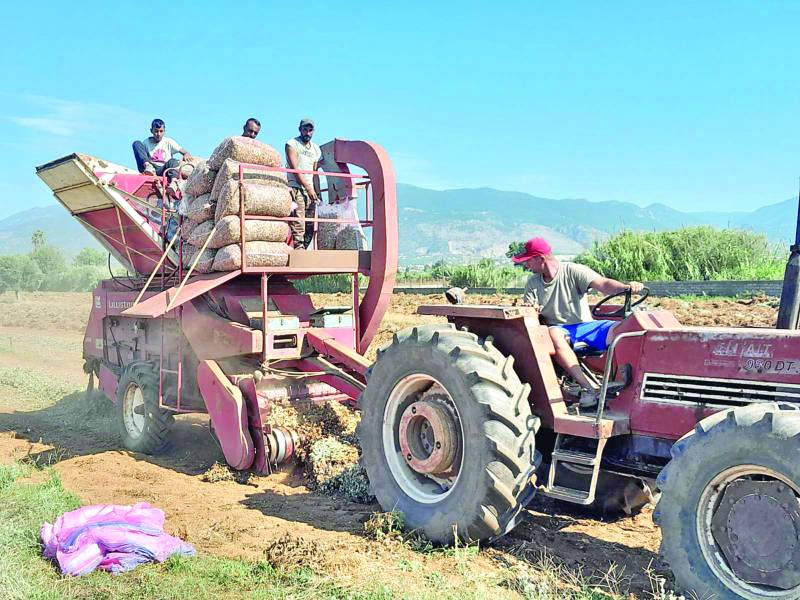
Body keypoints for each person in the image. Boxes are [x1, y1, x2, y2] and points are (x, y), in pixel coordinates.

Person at [512, 237, 644, 408]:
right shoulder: (533, 284)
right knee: (553, 333)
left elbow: (603, 284)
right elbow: (528, 309)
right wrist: (531, 309)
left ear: (540, 258)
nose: (526, 266)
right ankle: (588, 388)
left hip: (585, 326)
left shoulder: (574, 271)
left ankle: (624, 386)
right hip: (560, 330)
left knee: (624, 330)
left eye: (528, 261)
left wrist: (625, 287)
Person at [285, 118, 322, 249]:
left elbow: (315, 172)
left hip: (310, 190)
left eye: (310, 130)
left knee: (311, 223)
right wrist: (307, 187)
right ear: (300, 129)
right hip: (296, 187)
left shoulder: (316, 149)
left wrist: (317, 191)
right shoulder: (292, 144)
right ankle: (298, 251)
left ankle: (304, 250)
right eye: (305, 129)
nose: (307, 132)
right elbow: (295, 169)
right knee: (298, 221)